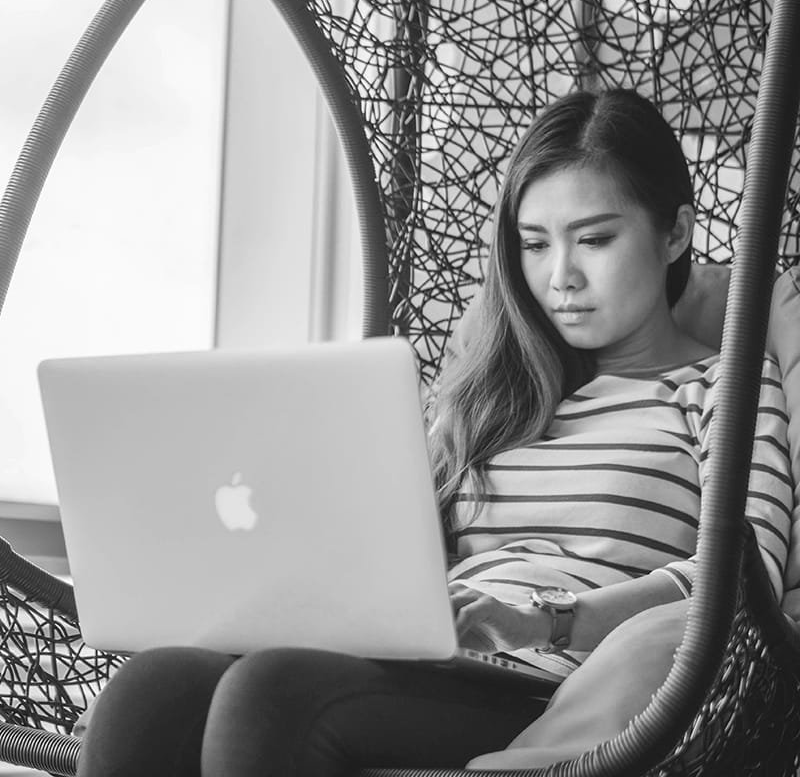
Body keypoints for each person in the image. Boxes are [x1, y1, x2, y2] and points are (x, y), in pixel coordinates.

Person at [75, 88, 793, 776]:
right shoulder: (495, 394)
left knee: (269, 699)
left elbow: (744, 581)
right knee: (151, 692)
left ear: (675, 233)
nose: (561, 277)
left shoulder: (724, 388)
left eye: (595, 239)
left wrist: (546, 619)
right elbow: (391, 562)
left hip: (560, 684)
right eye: (534, 244)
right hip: (432, 659)